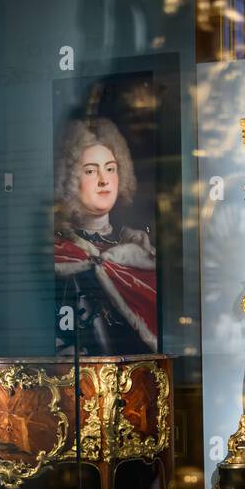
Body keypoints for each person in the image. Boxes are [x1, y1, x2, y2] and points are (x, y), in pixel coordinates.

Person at [53, 117, 158, 353]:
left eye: (110, 169)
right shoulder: (62, 253)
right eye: (91, 171)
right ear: (69, 178)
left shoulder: (141, 249)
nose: (104, 180)